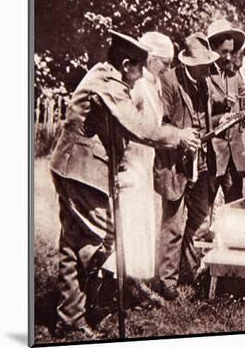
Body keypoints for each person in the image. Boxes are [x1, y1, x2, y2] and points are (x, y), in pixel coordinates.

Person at [49, 29, 200, 338]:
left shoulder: (103, 74)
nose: (140, 76)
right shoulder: (109, 85)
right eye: (138, 69)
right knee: (106, 239)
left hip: (71, 168)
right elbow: (138, 129)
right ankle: (106, 297)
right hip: (81, 172)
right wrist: (179, 136)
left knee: (72, 243)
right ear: (127, 64)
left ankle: (71, 319)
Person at [155, 33, 220, 301]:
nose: (208, 69)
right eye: (204, 65)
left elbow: (205, 117)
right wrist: (182, 136)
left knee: (200, 218)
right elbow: (159, 125)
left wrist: (220, 120)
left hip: (201, 161)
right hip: (175, 163)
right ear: (190, 64)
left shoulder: (204, 83)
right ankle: (166, 281)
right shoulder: (168, 82)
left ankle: (191, 272)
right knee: (173, 224)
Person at [119, 32, 174, 287]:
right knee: (130, 222)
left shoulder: (156, 84)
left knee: (144, 222)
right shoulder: (138, 85)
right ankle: (124, 282)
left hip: (147, 159)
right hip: (133, 158)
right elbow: (129, 123)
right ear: (151, 60)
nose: (168, 68)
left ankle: (138, 280)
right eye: (165, 63)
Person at [206, 19, 245, 203]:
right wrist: (221, 105)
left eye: (231, 52)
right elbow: (199, 114)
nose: (228, 57)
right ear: (213, 49)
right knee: (205, 205)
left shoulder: (234, 76)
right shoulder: (204, 75)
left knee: (236, 204)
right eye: (224, 52)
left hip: (235, 154)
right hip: (214, 153)